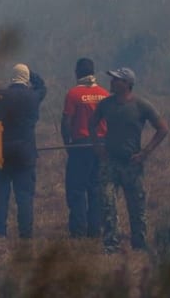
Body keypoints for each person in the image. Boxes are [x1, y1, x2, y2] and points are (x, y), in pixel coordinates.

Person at [90, 67, 169, 253]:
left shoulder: (141, 105)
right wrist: (97, 146)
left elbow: (163, 128)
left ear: (127, 84)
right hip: (110, 162)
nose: (111, 82)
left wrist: (145, 152)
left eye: (116, 79)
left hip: (132, 163)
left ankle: (139, 244)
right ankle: (111, 244)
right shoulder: (105, 104)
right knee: (107, 204)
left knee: (136, 206)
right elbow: (92, 124)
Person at [0, 63, 46, 239]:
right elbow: (42, 87)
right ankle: (25, 233)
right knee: (24, 196)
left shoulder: (0, 95)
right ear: (27, 77)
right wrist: (34, 75)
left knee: (0, 196)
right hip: (25, 153)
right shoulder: (33, 96)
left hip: (2, 152)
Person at [61, 58, 111, 238]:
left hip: (81, 146)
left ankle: (78, 232)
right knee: (96, 188)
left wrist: (68, 144)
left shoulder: (73, 94)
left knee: (76, 189)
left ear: (77, 73)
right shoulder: (105, 94)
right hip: (102, 145)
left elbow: (66, 123)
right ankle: (95, 230)